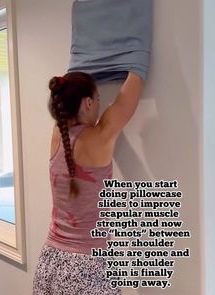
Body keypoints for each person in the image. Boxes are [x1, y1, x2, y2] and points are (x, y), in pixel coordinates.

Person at [32, 71, 144, 295]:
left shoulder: (57, 134)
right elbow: (134, 84)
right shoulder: (99, 137)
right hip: (87, 268)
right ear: (89, 102)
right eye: (99, 100)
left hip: (49, 261)